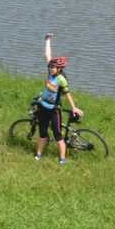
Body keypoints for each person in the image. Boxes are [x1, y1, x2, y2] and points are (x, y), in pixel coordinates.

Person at [34, 33, 82, 165]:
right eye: (50, 67)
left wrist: (74, 108)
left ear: (59, 69)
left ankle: (62, 158)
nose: (50, 69)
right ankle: (38, 154)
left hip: (54, 110)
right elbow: (47, 56)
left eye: (53, 68)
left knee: (57, 135)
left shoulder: (61, 79)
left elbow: (67, 94)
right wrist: (47, 40)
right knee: (42, 133)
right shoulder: (51, 71)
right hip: (42, 107)